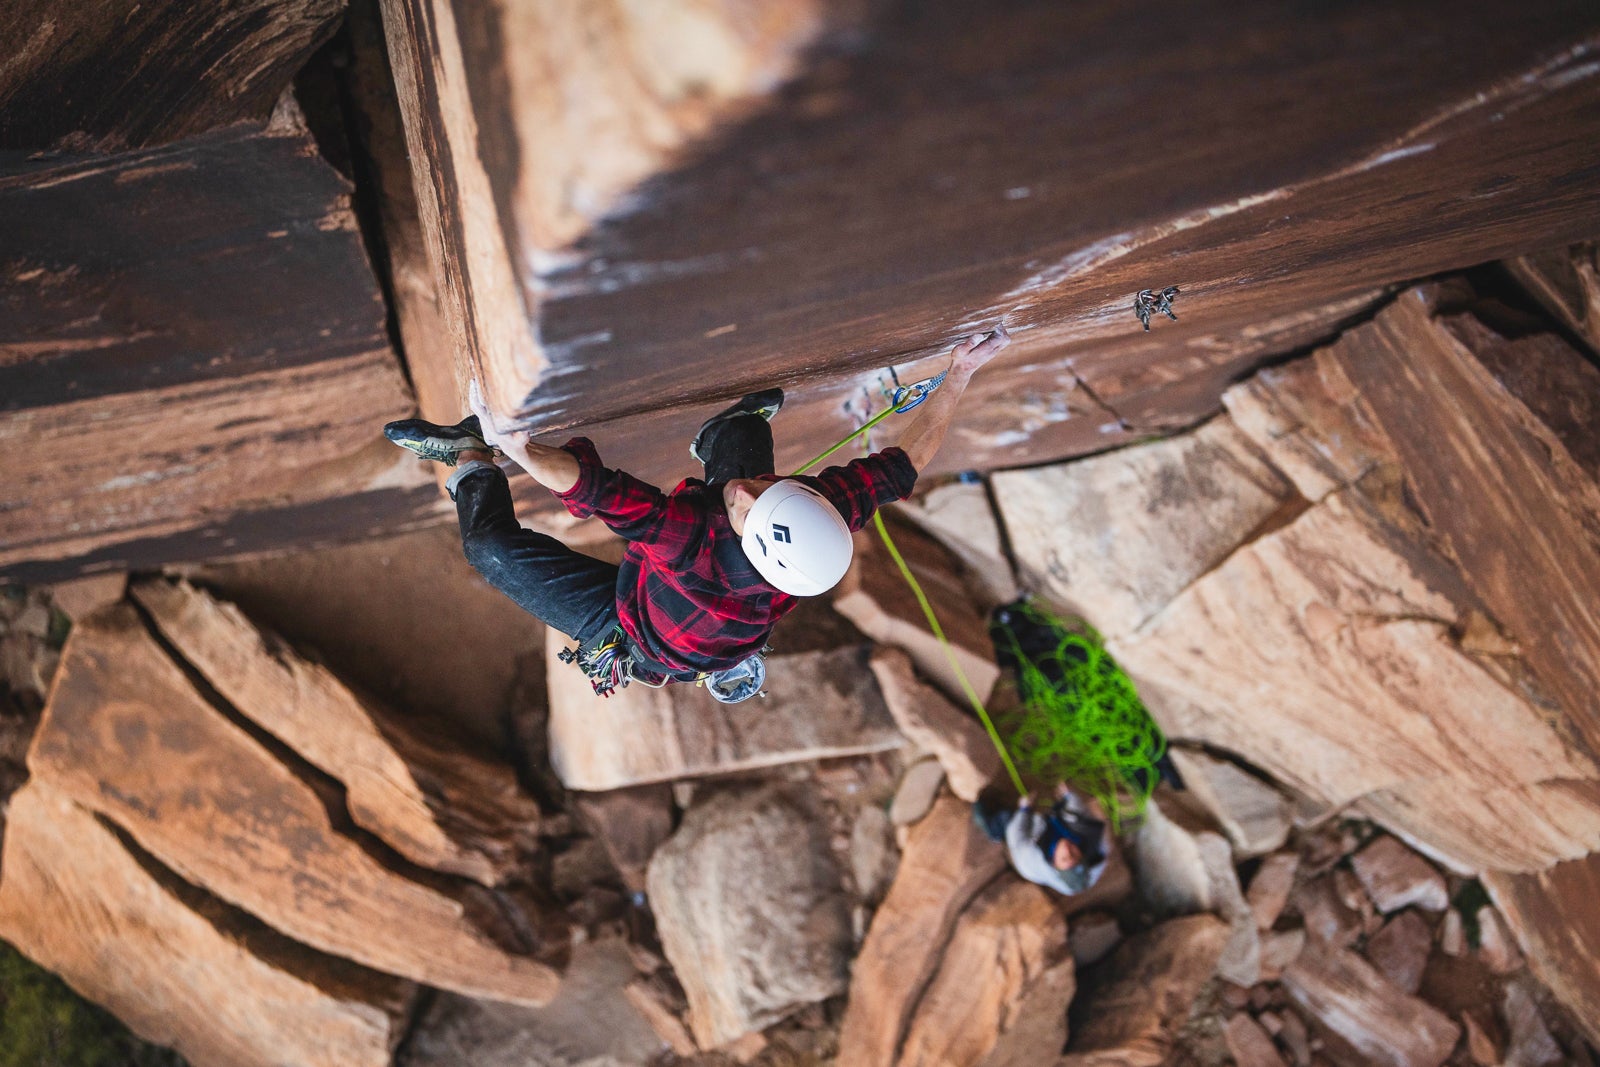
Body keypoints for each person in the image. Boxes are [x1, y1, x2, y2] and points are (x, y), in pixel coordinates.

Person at [383, 327, 1011, 699]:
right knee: (740, 445)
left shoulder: (691, 549)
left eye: (750, 505)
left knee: (489, 551)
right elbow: (903, 464)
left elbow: (598, 492)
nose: (747, 492)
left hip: (634, 628)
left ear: (752, 544)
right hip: (705, 619)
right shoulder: (822, 516)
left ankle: (467, 458)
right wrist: (960, 373)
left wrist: (516, 449)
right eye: (773, 488)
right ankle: (727, 431)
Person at [974, 782, 1111, 896]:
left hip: (1024, 844)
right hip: (1059, 831)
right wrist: (1069, 796)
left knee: (1007, 820)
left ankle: (994, 832)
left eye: (1064, 858)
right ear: (1082, 854)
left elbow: (1016, 835)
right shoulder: (1092, 837)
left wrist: (1024, 809)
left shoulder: (1031, 857)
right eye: (1074, 854)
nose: (1067, 850)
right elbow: (1081, 813)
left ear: (1054, 864)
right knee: (1073, 814)